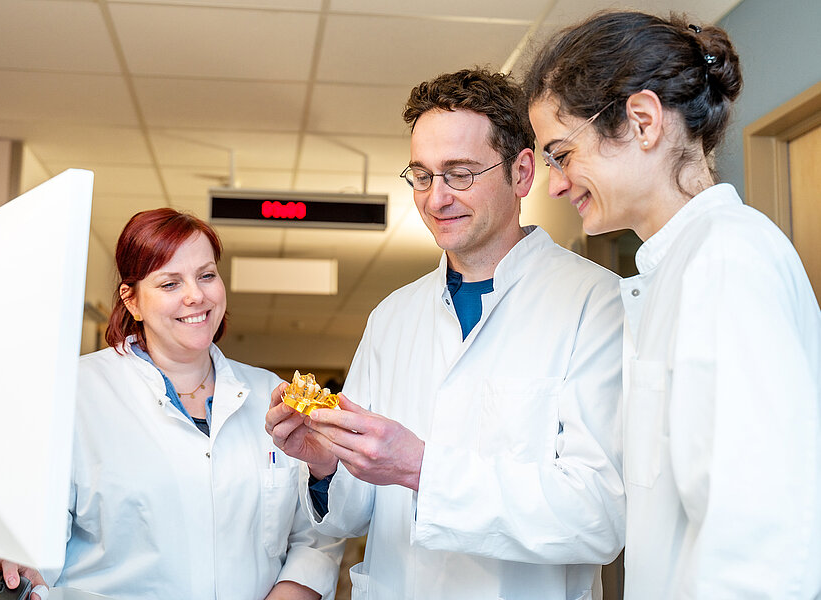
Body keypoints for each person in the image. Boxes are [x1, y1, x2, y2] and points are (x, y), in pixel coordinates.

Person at [267, 68, 626, 599]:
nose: (436, 199)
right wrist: (324, 466)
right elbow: (352, 515)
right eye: (422, 175)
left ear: (522, 173)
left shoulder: (597, 302)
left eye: (460, 173)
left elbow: (597, 516)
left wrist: (421, 468)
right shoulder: (393, 316)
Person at [523, 11, 821, 598]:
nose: (555, 184)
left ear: (641, 121)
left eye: (562, 153)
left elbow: (760, 543)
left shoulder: (726, 259)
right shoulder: (680, 268)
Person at [0, 209, 343, 600]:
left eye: (207, 275)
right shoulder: (73, 394)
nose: (195, 295)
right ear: (132, 300)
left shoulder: (271, 395)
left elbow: (317, 535)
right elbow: (19, 538)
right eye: (169, 283)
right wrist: (5, 563)